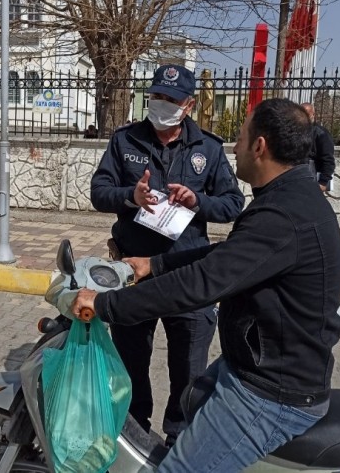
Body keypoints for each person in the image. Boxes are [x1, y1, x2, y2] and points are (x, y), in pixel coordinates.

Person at [75, 98, 340, 471]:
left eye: (242, 135)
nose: (235, 147)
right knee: (190, 403)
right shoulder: (288, 198)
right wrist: (154, 264)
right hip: (251, 365)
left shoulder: (283, 215)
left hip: (269, 391)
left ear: (260, 146)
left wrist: (104, 306)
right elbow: (227, 256)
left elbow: (201, 283)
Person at [90, 64, 245, 445]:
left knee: (189, 370)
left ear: (188, 105)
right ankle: (133, 435)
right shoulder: (125, 140)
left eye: (172, 99)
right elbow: (98, 191)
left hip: (187, 273)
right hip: (134, 270)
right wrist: (131, 196)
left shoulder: (207, 148)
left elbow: (232, 204)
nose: (162, 104)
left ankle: (180, 441)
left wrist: (197, 201)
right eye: (157, 96)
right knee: (129, 365)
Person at [301, 102, 335, 192]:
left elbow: (328, 159)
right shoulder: (295, 131)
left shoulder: (321, 133)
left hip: (312, 178)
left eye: (306, 114)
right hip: (297, 178)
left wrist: (323, 182)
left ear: (313, 114)